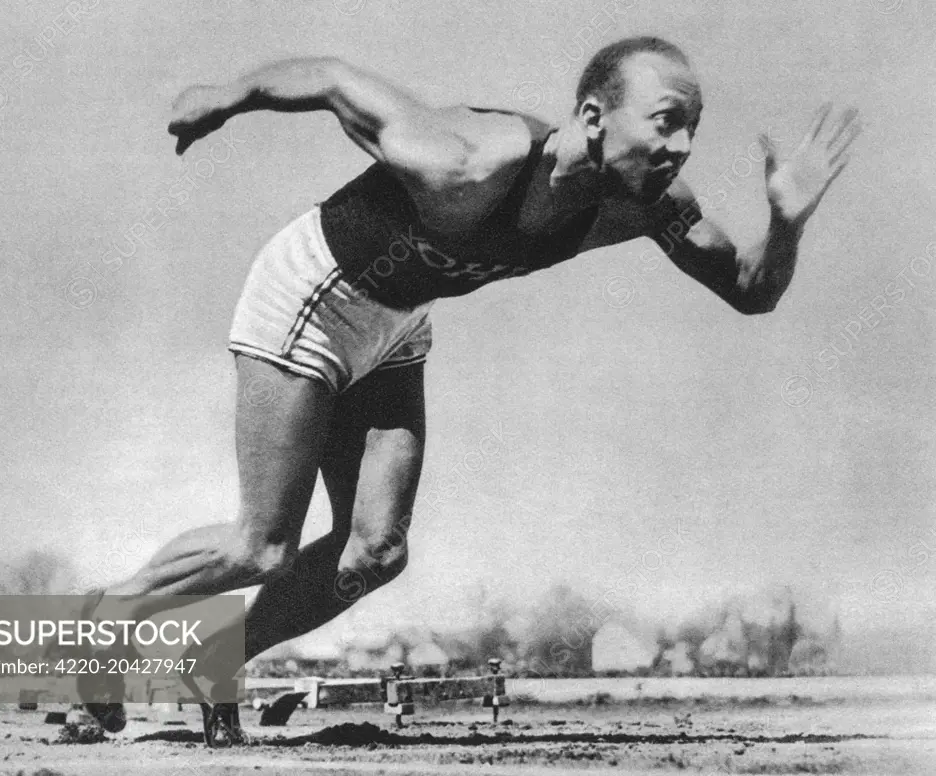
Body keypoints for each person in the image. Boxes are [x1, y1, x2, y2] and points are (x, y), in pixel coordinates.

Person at [80, 36, 861, 740]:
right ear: (594, 115)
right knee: (263, 543)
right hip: (314, 293)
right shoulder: (466, 159)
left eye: (692, 127)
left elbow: (750, 290)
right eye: (665, 121)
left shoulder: (647, 209)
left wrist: (785, 223)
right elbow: (332, 78)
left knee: (376, 550)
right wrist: (228, 95)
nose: (681, 146)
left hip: (397, 322)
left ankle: (217, 657)